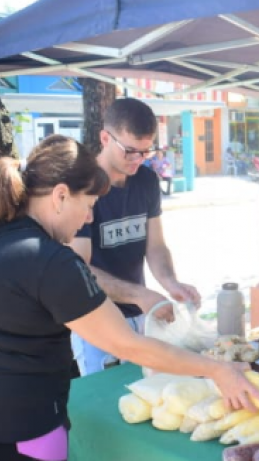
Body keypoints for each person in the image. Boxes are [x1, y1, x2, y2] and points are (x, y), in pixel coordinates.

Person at [0, 135, 259, 461]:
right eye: (89, 205)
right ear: (60, 195)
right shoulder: (50, 261)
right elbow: (129, 345)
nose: (89, 219)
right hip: (20, 431)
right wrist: (217, 370)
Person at [69, 98, 200, 376]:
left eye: (146, 151)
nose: (138, 159)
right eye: (130, 151)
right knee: (106, 394)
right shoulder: (81, 186)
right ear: (105, 138)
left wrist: (171, 283)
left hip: (141, 314)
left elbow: (156, 246)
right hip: (96, 320)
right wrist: (139, 294)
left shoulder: (147, 180)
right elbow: (77, 269)